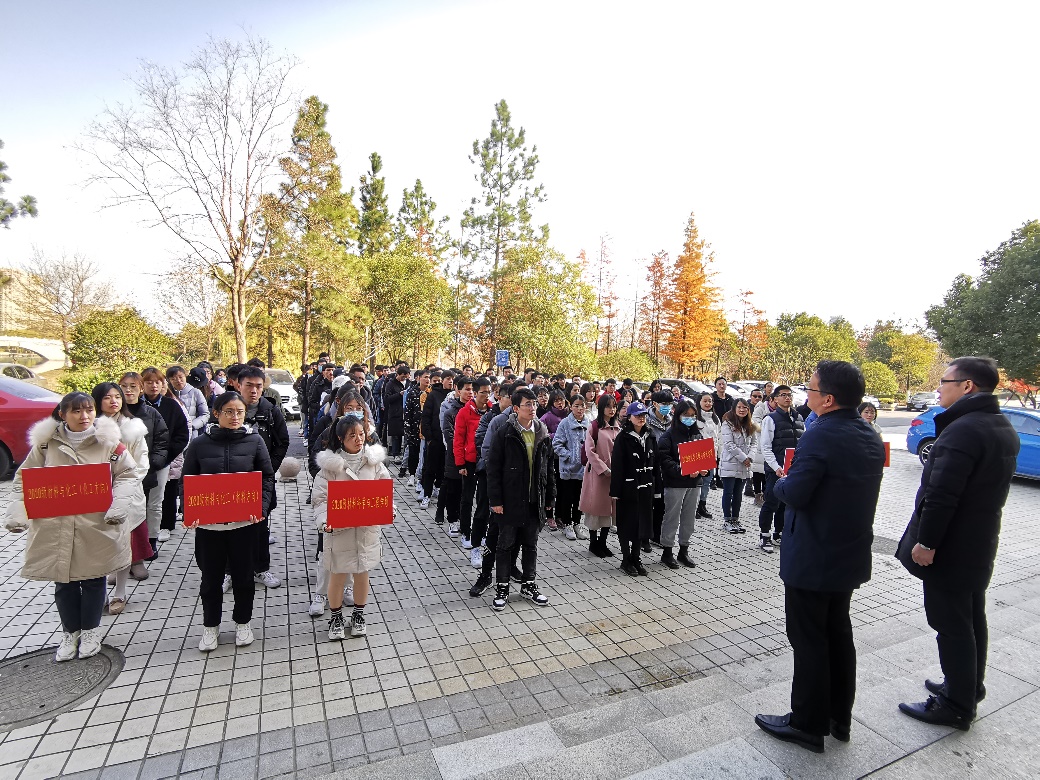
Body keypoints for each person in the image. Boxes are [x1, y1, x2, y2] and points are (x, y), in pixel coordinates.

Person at [754, 361, 885, 753]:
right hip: (848, 552)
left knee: (809, 638)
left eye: (810, 390)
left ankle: (807, 724)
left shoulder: (821, 435)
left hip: (814, 556)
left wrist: (781, 483)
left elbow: (797, 492)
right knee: (838, 634)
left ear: (827, 399)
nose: (805, 396)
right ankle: (838, 717)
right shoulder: (868, 433)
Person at [895, 357, 1019, 730]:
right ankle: (967, 686)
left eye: (945, 381)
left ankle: (956, 705)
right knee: (971, 617)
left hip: (952, 546)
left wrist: (927, 542)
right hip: (977, 542)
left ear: (967, 386)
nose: (938, 388)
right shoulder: (999, 424)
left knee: (950, 623)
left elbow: (942, 494)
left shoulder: (964, 430)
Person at [4, 392, 139, 661]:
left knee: (93, 579)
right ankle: (70, 632)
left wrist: (119, 506)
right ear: (62, 414)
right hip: (55, 525)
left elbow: (128, 473)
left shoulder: (109, 442)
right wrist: (18, 514)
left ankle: (90, 631)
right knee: (63, 582)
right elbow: (24, 480)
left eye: (89, 410)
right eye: (76, 411)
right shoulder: (45, 444)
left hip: (96, 523)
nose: (84, 416)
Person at [181, 391, 275, 652]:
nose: (235, 417)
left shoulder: (254, 441)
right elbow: (187, 481)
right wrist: (188, 511)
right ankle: (210, 626)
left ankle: (243, 623)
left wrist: (261, 507)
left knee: (244, 578)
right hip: (209, 527)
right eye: (229, 412)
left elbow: (267, 477)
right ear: (216, 413)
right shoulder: (199, 444)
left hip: (244, 525)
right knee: (210, 580)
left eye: (240, 412)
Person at [312, 415, 392, 640]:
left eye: (361, 434)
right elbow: (319, 499)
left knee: (362, 575)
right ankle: (336, 617)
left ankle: (358, 614)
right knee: (337, 576)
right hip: (339, 532)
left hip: (366, 531)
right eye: (352, 435)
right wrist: (324, 520)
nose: (358, 439)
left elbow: (385, 490)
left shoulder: (373, 462)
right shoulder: (330, 467)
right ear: (340, 438)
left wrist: (389, 508)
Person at [485, 387, 555, 611]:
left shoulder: (542, 432)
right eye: (527, 404)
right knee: (505, 545)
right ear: (516, 408)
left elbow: (549, 468)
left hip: (535, 499)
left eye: (534, 404)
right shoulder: (505, 433)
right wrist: (496, 500)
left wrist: (550, 497)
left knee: (530, 544)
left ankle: (528, 584)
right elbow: (493, 469)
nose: (532, 408)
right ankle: (502, 587)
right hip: (510, 500)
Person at [92, 383, 150, 614]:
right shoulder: (88, 427)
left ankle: (120, 593)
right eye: (107, 397)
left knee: (125, 543)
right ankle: (100, 594)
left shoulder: (132, 427)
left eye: (117, 397)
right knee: (97, 544)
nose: (114, 401)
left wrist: (125, 485)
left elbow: (141, 462)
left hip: (127, 493)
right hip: (95, 494)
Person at [237, 366, 290, 588]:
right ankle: (230, 571)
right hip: (232, 481)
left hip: (260, 480)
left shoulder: (270, 410)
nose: (253, 390)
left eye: (258, 386)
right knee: (231, 528)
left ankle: (261, 569)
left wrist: (270, 469)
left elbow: (283, 442)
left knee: (260, 526)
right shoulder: (228, 408)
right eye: (248, 385)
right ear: (238, 385)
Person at [118, 372, 170, 577]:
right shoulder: (112, 413)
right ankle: (119, 559)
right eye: (124, 386)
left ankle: (145, 550)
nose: (128, 390)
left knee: (146, 510)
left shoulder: (151, 413)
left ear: (140, 389)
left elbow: (162, 439)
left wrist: (154, 463)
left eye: (133, 386)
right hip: (117, 475)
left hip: (146, 470)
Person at [140, 367, 190, 557]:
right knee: (138, 502)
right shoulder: (134, 406)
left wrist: (165, 458)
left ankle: (151, 540)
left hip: (162, 462)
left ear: (163, 384)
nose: (154, 386)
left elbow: (182, 435)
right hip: (136, 463)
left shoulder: (172, 405)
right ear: (142, 384)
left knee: (156, 501)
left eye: (158, 382)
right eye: (149, 382)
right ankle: (137, 540)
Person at [610, 402, 662, 577]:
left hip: (646, 487)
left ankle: (636, 557)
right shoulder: (623, 437)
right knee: (627, 524)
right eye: (637, 415)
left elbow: (656, 464)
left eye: (644, 415)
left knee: (642, 524)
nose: (641, 418)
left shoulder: (650, 435)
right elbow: (617, 466)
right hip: (628, 488)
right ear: (629, 417)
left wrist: (657, 488)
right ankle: (626, 559)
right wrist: (616, 491)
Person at [656, 399, 708, 569]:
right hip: (675, 483)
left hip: (694, 483)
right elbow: (665, 460)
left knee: (689, 518)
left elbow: (703, 457)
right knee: (671, 517)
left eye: (693, 415)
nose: (690, 418)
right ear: (678, 415)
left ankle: (684, 550)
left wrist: (704, 469)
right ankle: (667, 551)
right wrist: (682, 470)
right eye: (686, 415)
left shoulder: (697, 435)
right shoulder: (668, 436)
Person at [758, 385, 804, 552]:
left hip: (792, 469)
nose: (787, 398)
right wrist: (776, 467)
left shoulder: (799, 418)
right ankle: (764, 535)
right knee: (771, 502)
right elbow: (766, 446)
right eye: (783, 395)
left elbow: (802, 443)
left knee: (786, 503)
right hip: (775, 469)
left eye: (789, 395)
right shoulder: (770, 419)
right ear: (775, 399)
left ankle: (779, 534)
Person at [579, 394, 621, 557]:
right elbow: (590, 452)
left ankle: (603, 542)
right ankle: (593, 543)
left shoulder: (618, 427)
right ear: (602, 407)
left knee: (609, 510)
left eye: (614, 406)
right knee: (596, 510)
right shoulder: (594, 426)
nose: (612, 409)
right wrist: (604, 469)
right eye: (608, 406)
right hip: (597, 475)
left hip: (614, 475)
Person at [453, 377, 491, 550]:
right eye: (483, 392)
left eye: (489, 392)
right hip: (469, 461)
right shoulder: (464, 412)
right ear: (475, 393)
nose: (486, 395)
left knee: (484, 499)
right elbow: (458, 439)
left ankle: (481, 532)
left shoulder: (492, 411)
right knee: (467, 498)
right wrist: (460, 464)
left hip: (486, 461)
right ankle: (466, 532)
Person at [552, 396, 589, 542]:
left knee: (580, 498)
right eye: (576, 406)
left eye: (582, 405)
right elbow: (556, 444)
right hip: (568, 468)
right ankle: (567, 524)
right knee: (567, 498)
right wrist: (569, 456)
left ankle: (577, 523)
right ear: (571, 406)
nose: (580, 409)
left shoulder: (589, 422)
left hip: (583, 469)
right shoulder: (565, 423)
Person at [719, 398, 757, 533]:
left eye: (745, 407)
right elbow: (729, 444)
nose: (742, 410)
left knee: (738, 494)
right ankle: (727, 520)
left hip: (744, 465)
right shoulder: (727, 424)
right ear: (734, 409)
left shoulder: (751, 424)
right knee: (728, 492)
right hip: (730, 463)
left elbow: (754, 443)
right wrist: (743, 457)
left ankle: (735, 519)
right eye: (739, 407)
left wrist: (750, 457)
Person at [439, 375, 470, 533]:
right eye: (467, 389)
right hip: (455, 457)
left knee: (467, 493)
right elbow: (450, 437)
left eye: (473, 390)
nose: (470, 393)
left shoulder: (478, 411)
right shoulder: (450, 412)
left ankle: (465, 521)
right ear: (458, 390)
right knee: (454, 490)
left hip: (472, 457)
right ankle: (452, 520)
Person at [419, 372, 451, 510]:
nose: (451, 381)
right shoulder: (433, 395)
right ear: (442, 380)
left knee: (444, 467)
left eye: (452, 379)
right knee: (430, 467)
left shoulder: (453, 397)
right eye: (448, 379)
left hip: (448, 440)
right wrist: (429, 437)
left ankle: (438, 488)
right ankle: (426, 494)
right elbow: (426, 417)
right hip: (435, 438)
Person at [693, 393, 720, 521]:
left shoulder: (715, 419)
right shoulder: (695, 418)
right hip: (700, 454)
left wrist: (718, 454)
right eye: (705, 401)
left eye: (710, 401)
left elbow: (719, 437)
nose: (708, 403)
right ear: (699, 402)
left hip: (712, 455)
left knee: (707, 481)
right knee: (698, 482)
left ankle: (702, 505)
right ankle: (694, 507)